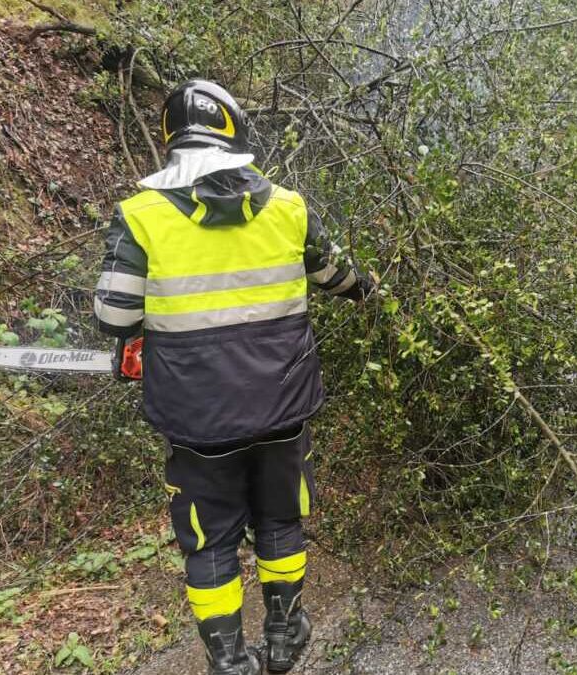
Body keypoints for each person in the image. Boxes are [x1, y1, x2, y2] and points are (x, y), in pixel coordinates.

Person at [94, 80, 371, 675]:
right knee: (279, 520)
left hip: (197, 420)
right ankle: (284, 637)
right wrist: (371, 292)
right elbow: (336, 277)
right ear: (237, 136)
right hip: (282, 407)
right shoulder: (290, 208)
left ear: (171, 143)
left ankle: (228, 659)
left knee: (210, 540)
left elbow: (114, 315)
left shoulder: (140, 215)